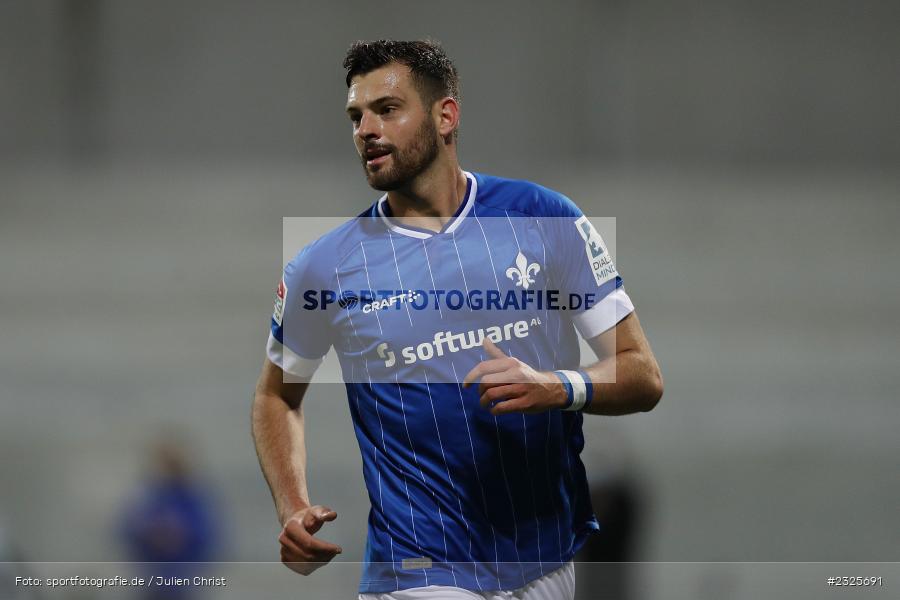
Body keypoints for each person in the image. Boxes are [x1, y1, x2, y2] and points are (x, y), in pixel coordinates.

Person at [251, 39, 663, 600]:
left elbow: (643, 375)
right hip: (418, 568)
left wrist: (558, 387)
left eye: (387, 110)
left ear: (446, 116)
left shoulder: (545, 218)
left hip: (546, 559)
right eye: (356, 116)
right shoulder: (324, 266)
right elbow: (277, 395)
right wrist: (292, 504)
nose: (365, 129)